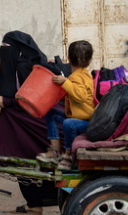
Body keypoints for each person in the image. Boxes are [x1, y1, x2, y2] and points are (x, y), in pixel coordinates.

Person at [0, 30, 59, 215]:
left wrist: (7, 101)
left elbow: (30, 98)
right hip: (22, 125)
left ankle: (36, 203)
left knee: (22, 161)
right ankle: (34, 203)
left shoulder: (27, 67)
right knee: (25, 163)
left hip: (33, 124)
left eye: (7, 47)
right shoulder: (28, 63)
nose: (4, 50)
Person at [35, 40, 95, 170]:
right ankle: (55, 151)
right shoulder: (77, 75)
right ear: (90, 60)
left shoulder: (80, 77)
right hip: (75, 116)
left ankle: (68, 155)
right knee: (51, 113)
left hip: (85, 122)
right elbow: (71, 98)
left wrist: (65, 83)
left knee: (69, 123)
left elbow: (81, 96)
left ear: (68, 57)